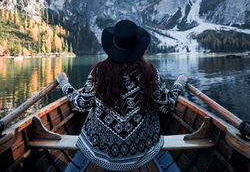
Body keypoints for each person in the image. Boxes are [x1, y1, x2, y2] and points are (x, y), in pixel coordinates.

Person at [56, 19, 188, 171]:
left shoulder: (98, 71)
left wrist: (64, 83)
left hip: (101, 149)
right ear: (138, 47)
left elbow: (82, 104)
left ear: (113, 46)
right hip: (142, 149)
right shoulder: (150, 73)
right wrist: (179, 84)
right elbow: (166, 107)